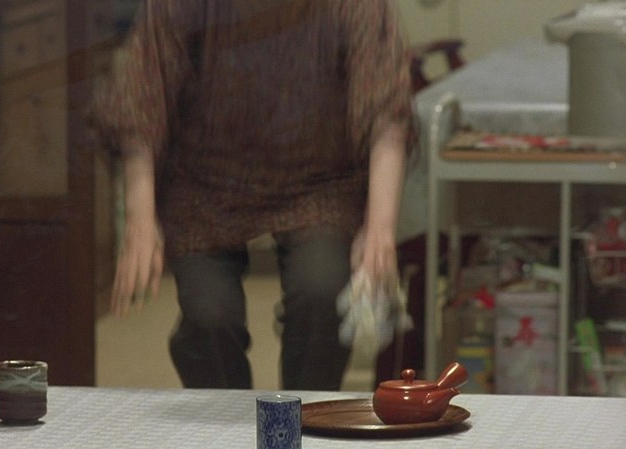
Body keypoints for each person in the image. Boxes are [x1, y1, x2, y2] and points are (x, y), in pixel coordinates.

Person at [91, 0, 415, 391]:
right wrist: (140, 217)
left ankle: (303, 415)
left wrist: (379, 227)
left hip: (318, 179)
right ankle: (224, 412)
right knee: (210, 316)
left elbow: (385, 111)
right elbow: (142, 97)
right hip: (203, 182)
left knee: (322, 291)